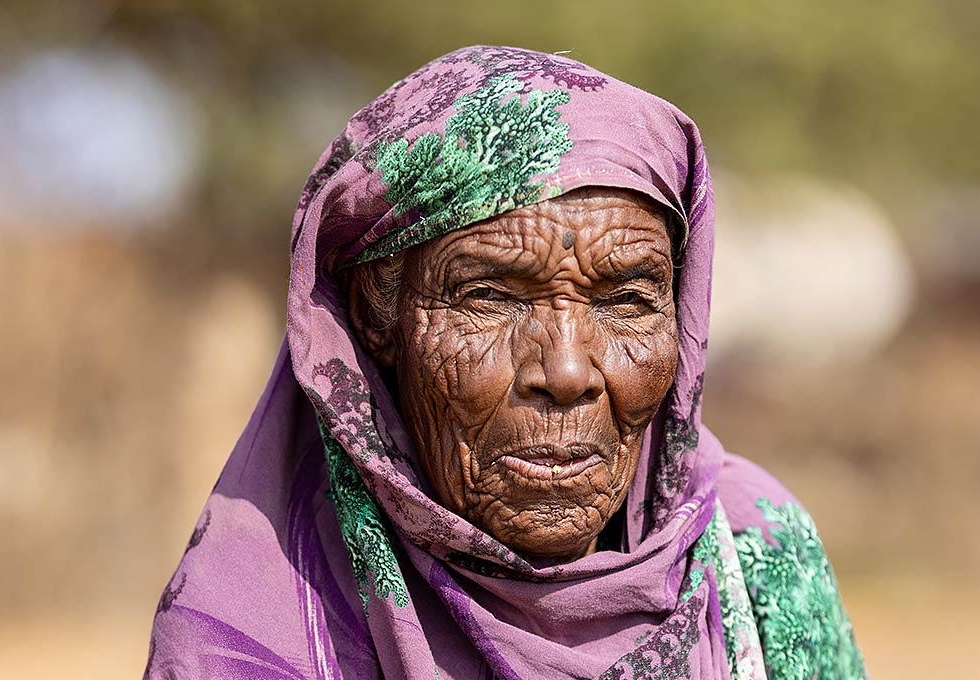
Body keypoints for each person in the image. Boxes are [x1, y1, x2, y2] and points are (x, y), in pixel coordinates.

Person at [146, 45, 867, 680]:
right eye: (489, 297)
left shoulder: (753, 555)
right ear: (375, 314)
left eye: (624, 301)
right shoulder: (252, 616)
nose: (566, 372)